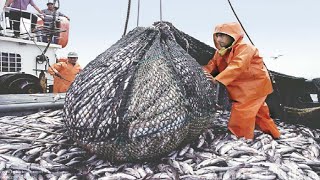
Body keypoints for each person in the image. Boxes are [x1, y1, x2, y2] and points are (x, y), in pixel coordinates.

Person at [203, 22, 281, 140]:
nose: (219, 39)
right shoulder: (220, 52)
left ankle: (240, 139)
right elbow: (212, 65)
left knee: (242, 112)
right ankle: (274, 135)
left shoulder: (245, 48)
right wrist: (200, 73)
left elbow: (238, 66)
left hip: (254, 88)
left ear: (233, 36)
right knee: (261, 114)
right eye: (217, 35)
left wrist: (217, 80)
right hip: (242, 90)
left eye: (223, 35)